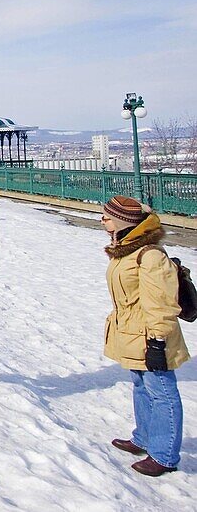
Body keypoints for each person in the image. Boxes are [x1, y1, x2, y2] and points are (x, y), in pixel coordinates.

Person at [101, 195, 189, 476]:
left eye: (107, 216)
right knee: (141, 386)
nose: (103, 220)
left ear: (123, 222)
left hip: (150, 334)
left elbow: (161, 303)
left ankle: (164, 455)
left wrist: (157, 341)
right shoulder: (124, 248)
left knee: (162, 392)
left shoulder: (149, 256)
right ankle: (144, 437)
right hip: (131, 331)